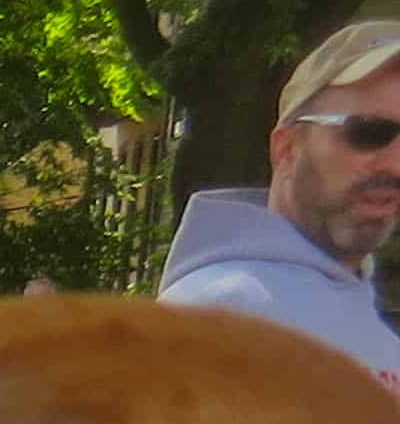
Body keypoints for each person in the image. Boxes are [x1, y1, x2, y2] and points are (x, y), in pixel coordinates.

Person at [157, 19, 400, 388]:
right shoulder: (215, 313)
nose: (395, 164)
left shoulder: (376, 328)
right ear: (285, 149)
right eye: (368, 133)